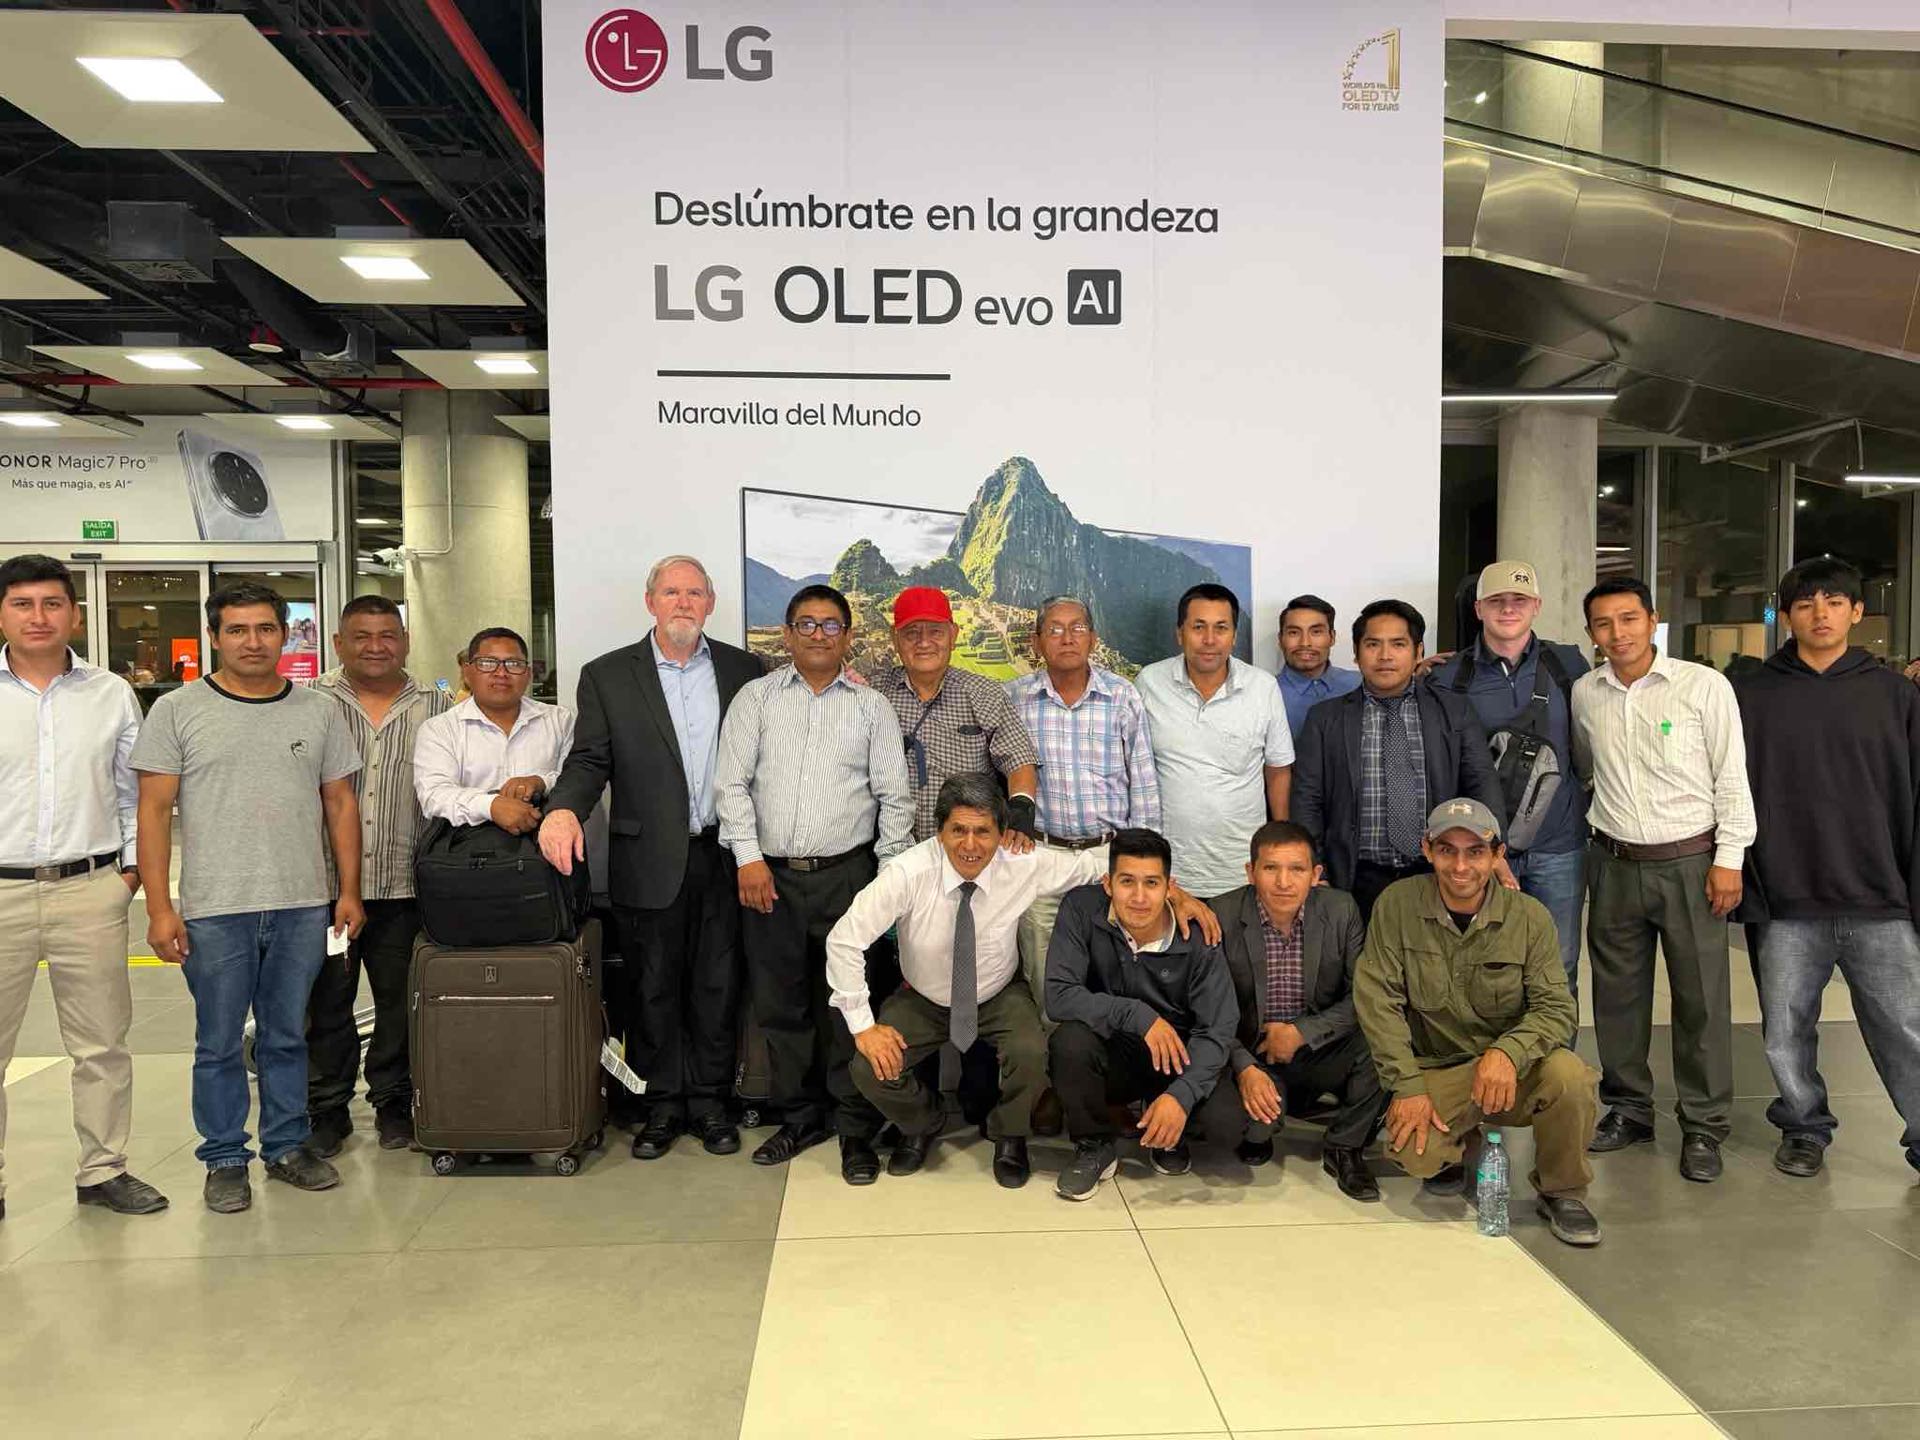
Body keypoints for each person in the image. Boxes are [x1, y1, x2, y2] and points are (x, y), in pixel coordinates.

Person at [832, 775, 1218, 1189]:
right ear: (939, 831)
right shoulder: (907, 872)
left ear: (1002, 833)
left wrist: (1172, 892)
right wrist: (864, 1027)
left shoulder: (1020, 863)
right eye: (958, 830)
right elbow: (844, 940)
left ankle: (1009, 1136)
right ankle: (924, 1122)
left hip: (998, 993)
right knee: (868, 1067)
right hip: (923, 997)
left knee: (1034, 1054)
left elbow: (1094, 863)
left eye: (983, 832)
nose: (970, 844)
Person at [132, 582, 365, 1214]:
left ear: (286, 635)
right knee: (217, 1042)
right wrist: (159, 908)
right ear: (214, 636)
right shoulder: (177, 710)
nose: (252, 641)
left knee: (288, 1035)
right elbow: (152, 812)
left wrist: (348, 891)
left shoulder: (318, 710)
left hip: (301, 904)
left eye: (265, 628)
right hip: (216, 909)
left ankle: (286, 1146)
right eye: (237, 630)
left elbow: (340, 804)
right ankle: (225, 1158)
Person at [541, 557, 763, 1158]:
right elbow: (589, 759)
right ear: (650, 602)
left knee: (718, 984)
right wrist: (563, 810)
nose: (683, 602)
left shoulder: (745, 670)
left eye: (694, 592)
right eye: (671, 592)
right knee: (652, 986)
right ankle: (661, 1105)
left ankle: (711, 1103)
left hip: (726, 853)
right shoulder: (609, 675)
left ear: (710, 603)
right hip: (647, 857)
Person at [716, 584, 915, 1183]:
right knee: (782, 1004)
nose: (819, 635)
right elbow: (731, 784)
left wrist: (887, 883)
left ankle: (854, 1128)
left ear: (847, 636)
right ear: (788, 634)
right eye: (806, 624)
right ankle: (800, 1118)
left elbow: (895, 800)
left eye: (831, 625)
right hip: (769, 878)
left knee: (848, 1005)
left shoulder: (871, 707)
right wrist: (748, 859)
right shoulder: (756, 699)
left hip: (849, 877)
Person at [1736, 557, 1920, 1180]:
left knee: (1906, 1030)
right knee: (1786, 1031)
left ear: (1857, 612)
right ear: (1786, 615)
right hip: (1785, 898)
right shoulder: (1753, 695)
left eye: (1834, 602)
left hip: (1882, 898)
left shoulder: (1896, 696)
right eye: (1806, 604)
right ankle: (1803, 1127)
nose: (1820, 614)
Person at [0, 555, 166, 1221]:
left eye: (51, 604)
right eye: (22, 604)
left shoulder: (110, 693)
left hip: (88, 889)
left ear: (74, 613)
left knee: (101, 1045)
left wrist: (126, 874)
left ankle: (103, 1170)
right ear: (1, 613)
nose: (38, 617)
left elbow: (134, 794)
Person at [1355, 798, 1601, 1247]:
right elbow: (1377, 1002)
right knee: (1415, 1154)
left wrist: (1508, 1052)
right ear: (1427, 850)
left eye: (1475, 852)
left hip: (1513, 1072)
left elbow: (1556, 1007)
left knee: (1571, 1077)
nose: (1460, 866)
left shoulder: (1529, 918)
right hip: (1440, 1067)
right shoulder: (1397, 905)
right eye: (1447, 850)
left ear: (1497, 855)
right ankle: (1457, 1147)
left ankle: (1562, 1190)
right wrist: (1407, 1087)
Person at [1573, 577, 1755, 1183]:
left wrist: (1730, 858)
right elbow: (1585, 768)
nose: (1617, 633)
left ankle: (1703, 1123)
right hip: (1613, 862)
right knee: (1616, 997)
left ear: (1653, 620)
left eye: (1628, 618)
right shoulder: (1586, 693)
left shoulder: (1703, 686)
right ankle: (1629, 1109)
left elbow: (1732, 777)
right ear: (1591, 633)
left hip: (1691, 864)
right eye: (1603, 623)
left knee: (1701, 999)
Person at [307, 595, 448, 1156]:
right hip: (322, 887)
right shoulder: (307, 702)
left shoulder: (438, 708)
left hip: (405, 885)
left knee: (402, 1004)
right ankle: (327, 1108)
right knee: (325, 1004)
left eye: (388, 635)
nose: (375, 646)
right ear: (338, 643)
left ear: (405, 642)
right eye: (361, 636)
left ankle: (393, 1102)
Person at [1045, 828, 1244, 1201]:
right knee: (1069, 1042)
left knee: (1228, 1125)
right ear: (1108, 884)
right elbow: (1058, 996)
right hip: (1114, 1052)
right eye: (1127, 882)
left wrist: (1181, 1095)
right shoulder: (1080, 909)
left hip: (1176, 1055)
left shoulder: (1199, 933)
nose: (1139, 897)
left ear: (1171, 887)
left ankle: (1166, 1118)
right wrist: (1138, 1015)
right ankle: (1094, 1146)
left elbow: (1217, 1028)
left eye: (1151, 883)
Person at [1431, 561, 1591, 1001]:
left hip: (1559, 849)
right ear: (1478, 608)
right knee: (1481, 970)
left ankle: (1552, 1049)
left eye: (1519, 600)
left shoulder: (1568, 664)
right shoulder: (1448, 676)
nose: (1508, 609)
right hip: (1478, 848)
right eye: (1496, 600)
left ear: (1536, 605)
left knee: (1559, 968)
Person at [1293, 599, 1504, 921]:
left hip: (1438, 872)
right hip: (1354, 878)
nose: (1385, 655)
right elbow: (1307, 800)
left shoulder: (1453, 711)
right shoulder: (1325, 719)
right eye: (1372, 644)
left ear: (1418, 652)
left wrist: (1491, 854)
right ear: (1356, 653)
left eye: (1398, 644)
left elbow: (1482, 784)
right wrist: (1313, 867)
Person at [1210, 821, 1386, 1201]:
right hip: (1249, 1051)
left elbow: (1363, 995)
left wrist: (1301, 1033)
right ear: (1250, 871)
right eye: (1271, 868)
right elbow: (1208, 1010)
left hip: (1317, 1046)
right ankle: (1262, 1127)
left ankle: (1345, 1146)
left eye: (1297, 869)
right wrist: (1244, 1067)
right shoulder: (1221, 915)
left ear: (1315, 874)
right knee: (1252, 1125)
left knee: (1381, 1041)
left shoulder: (1341, 910)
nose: (1284, 882)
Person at [1007, 595, 1161, 1026]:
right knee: (1044, 972)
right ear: (1037, 641)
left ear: (1093, 638)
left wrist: (1143, 863)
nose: (1067, 638)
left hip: (1107, 857)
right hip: (1042, 855)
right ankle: (1054, 1054)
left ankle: (1111, 1055)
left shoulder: (1122, 696)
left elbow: (1143, 784)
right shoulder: (1015, 699)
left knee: (1117, 965)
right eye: (1054, 629)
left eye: (1077, 628)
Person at [1135, 583, 1293, 900]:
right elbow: (1133, 769)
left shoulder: (1262, 688)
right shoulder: (1149, 683)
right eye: (1198, 627)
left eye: (1221, 628)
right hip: (1168, 869)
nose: (1209, 640)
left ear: (1234, 635)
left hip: (1241, 868)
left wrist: (1282, 847)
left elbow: (1277, 769)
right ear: (1180, 633)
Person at [870, 586, 1040, 845]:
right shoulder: (874, 694)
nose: (924, 643)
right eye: (911, 633)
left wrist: (1021, 806)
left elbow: (1018, 758)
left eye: (935, 632)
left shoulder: (984, 693)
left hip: (969, 847)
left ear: (953, 635)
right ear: (895, 638)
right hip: (895, 848)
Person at [414, 627, 575, 831]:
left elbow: (577, 779)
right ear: (467, 672)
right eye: (488, 663)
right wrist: (490, 806)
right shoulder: (440, 729)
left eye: (513, 664)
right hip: (467, 845)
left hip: (548, 842)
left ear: (528, 673)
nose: (501, 673)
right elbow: (434, 795)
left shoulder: (560, 721)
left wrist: (541, 782)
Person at [1276, 594, 1362, 740]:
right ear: (1280, 639)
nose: (1305, 643)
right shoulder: (1265, 693)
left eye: (1316, 632)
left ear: (1332, 637)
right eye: (1294, 632)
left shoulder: (1361, 684)